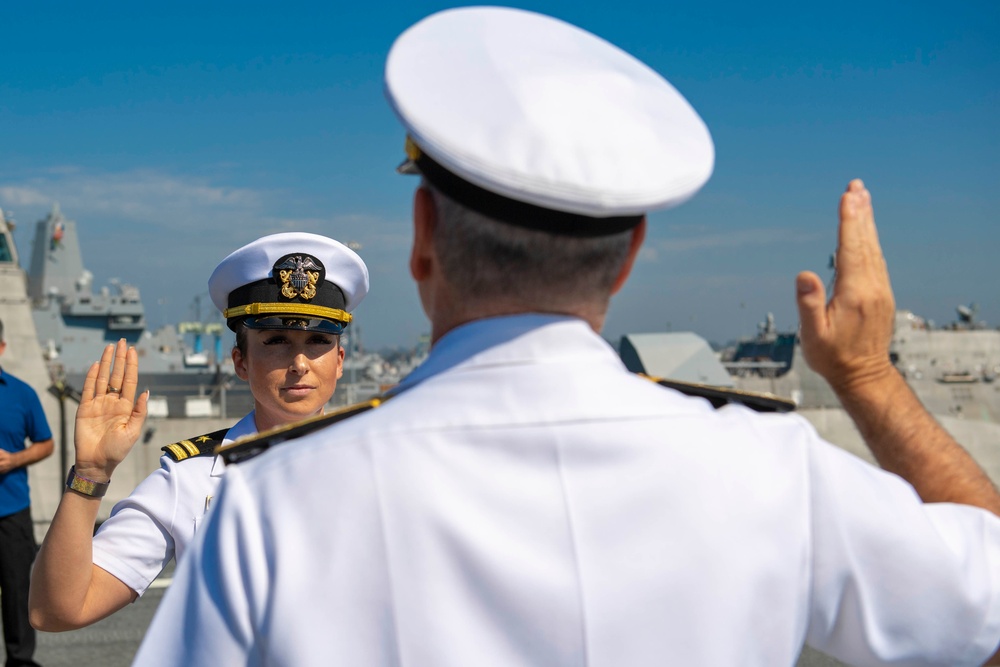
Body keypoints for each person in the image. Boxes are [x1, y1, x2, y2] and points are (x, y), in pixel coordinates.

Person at [135, 8, 1000, 666]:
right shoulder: (774, 471)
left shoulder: (271, 503)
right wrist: (866, 374)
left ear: (423, 235)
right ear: (630, 256)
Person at [28, 232, 369, 632]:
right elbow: (56, 611)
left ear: (340, 359)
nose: (299, 362)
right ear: (240, 362)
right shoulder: (187, 480)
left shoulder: (387, 462)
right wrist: (91, 474)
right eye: (276, 340)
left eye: (318, 341)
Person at [0, 318, 54, 667]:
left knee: (18, 592)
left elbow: (46, 443)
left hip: (11, 512)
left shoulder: (22, 393)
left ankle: (20, 662)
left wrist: (14, 459)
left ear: (2, 347)